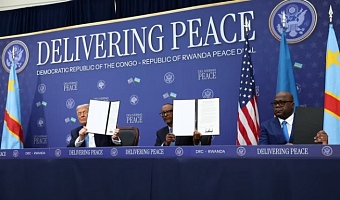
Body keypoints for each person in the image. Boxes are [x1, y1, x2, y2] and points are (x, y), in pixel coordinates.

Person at [259, 91, 328, 145]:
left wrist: (323, 142)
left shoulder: (308, 122)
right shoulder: (266, 126)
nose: (277, 106)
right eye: (275, 103)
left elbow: (315, 148)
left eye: (281, 103)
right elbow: (262, 149)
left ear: (292, 105)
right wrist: (283, 150)